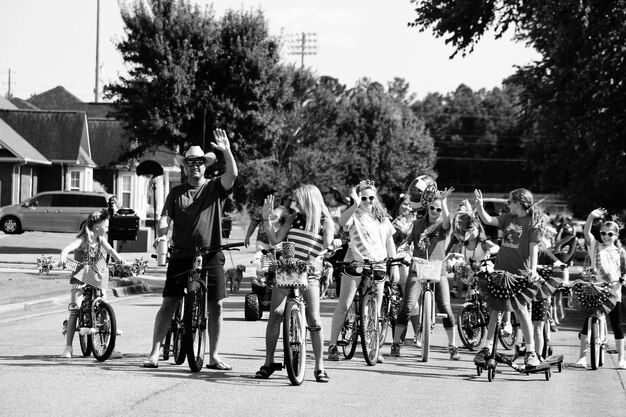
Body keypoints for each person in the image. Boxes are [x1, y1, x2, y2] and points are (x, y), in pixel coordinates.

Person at [143, 130, 237, 369]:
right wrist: (161, 236)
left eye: (199, 163)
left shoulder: (215, 188)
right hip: (181, 254)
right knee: (169, 303)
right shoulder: (176, 193)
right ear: (184, 167)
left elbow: (232, 174)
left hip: (211, 254)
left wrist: (226, 150)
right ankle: (155, 351)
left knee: (215, 305)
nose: (195, 166)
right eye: (190, 163)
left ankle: (213, 356)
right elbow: (165, 219)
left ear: (205, 166)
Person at [254, 185, 334, 382]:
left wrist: (329, 248)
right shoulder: (292, 218)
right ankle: (268, 362)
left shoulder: (325, 222)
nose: (295, 204)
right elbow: (275, 240)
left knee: (314, 319)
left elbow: (328, 245)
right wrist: (266, 219)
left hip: (310, 271)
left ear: (309, 200)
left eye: (298, 200)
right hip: (289, 269)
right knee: (275, 314)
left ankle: (319, 366)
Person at [472, 188, 547, 369]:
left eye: (510, 202)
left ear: (519, 202)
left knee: (521, 311)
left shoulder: (532, 222)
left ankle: (531, 353)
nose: (507, 204)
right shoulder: (508, 218)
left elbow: (533, 249)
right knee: (495, 309)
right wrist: (480, 207)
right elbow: (488, 220)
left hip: (519, 274)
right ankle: (487, 347)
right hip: (500, 271)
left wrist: (533, 270)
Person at [328, 180, 399, 362]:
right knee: (344, 305)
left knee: (376, 311)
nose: (368, 201)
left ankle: (373, 347)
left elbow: (389, 241)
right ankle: (333, 345)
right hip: (356, 263)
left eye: (370, 198)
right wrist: (355, 204)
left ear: (375, 198)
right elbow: (342, 221)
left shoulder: (382, 218)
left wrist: (395, 266)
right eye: (364, 198)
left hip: (379, 265)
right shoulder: (354, 215)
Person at [389, 187, 461, 360]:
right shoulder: (417, 224)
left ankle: (452, 346)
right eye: (432, 208)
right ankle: (396, 343)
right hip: (418, 267)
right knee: (408, 305)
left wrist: (443, 202)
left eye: (438, 209)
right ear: (427, 208)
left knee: (445, 306)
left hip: (439, 268)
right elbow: (407, 243)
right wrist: (402, 251)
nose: (435, 212)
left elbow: (447, 221)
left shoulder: (442, 225)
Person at [60, 209, 127, 358]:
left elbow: (110, 250)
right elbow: (67, 249)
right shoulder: (83, 239)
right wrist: (63, 258)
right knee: (75, 309)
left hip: (96, 275)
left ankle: (108, 347)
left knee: (104, 308)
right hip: (81, 276)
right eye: (106, 225)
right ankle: (68, 347)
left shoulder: (101, 239)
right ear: (97, 226)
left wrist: (120, 260)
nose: (108, 228)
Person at [575, 208, 626, 369]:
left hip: (613, 291)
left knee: (617, 325)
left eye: (610, 234)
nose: (606, 236)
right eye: (603, 233)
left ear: (616, 236)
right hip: (595, 289)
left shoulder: (620, 251)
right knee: (586, 323)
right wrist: (591, 216)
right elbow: (586, 232)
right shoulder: (595, 246)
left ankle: (621, 359)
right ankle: (582, 357)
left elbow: (624, 270)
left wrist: (623, 279)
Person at [323, 186, 350, 298]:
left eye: (327, 192)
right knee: (328, 267)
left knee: (340, 268)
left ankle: (340, 293)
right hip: (328, 242)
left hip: (342, 241)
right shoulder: (324, 207)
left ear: (333, 193)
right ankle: (325, 292)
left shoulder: (344, 207)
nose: (325, 195)